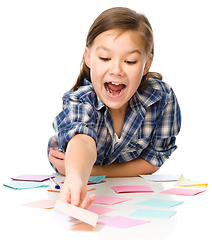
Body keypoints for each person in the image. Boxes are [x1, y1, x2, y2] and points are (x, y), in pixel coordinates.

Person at [48, 7, 181, 209]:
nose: (117, 70)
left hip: (133, 201)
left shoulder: (162, 99)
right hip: (74, 168)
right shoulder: (80, 101)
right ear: (89, 57)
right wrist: (75, 177)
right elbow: (82, 142)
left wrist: (96, 172)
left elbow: (153, 161)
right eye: (105, 58)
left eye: (130, 61)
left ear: (146, 64)